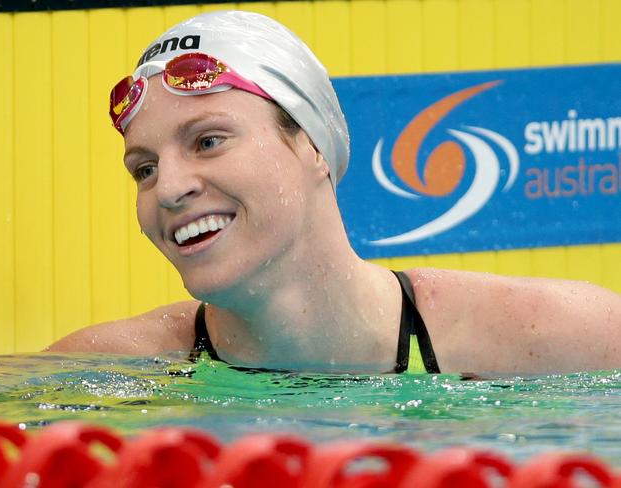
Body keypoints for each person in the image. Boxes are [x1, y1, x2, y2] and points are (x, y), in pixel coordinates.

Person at [47, 10, 621, 375]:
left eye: (208, 141)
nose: (167, 189)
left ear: (313, 146)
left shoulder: (558, 336)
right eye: (142, 169)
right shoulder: (102, 376)